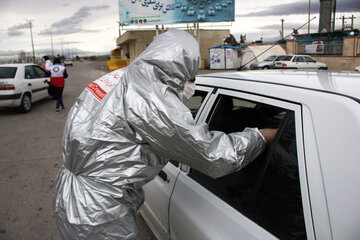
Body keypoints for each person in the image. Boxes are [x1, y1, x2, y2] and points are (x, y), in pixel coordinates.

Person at [53, 29, 276, 240]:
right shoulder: (152, 98)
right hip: (98, 211)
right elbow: (212, 155)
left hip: (72, 192)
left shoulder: (119, 77)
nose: (191, 85)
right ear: (177, 69)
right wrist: (260, 137)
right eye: (190, 77)